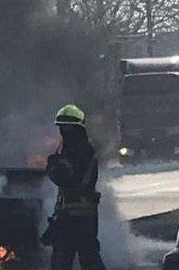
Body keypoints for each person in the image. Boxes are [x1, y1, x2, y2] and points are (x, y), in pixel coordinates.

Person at [44, 104, 106, 270]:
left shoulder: (81, 152)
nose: (63, 131)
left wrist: (52, 166)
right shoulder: (75, 150)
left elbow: (68, 179)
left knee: (68, 260)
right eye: (61, 127)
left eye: (66, 128)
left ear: (76, 129)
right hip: (75, 216)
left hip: (76, 218)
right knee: (85, 258)